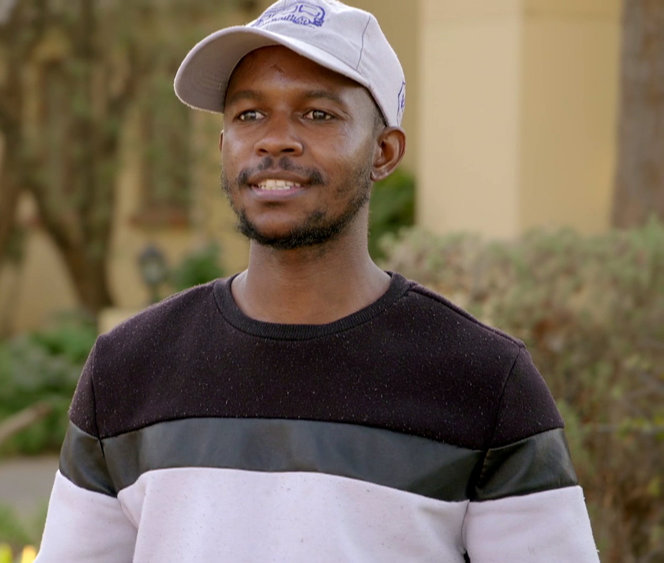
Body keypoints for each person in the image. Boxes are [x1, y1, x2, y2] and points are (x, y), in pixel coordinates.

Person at [35, 1, 599, 561]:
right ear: (222, 145)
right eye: (249, 115)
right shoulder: (128, 369)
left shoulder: (484, 381)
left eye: (318, 114)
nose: (274, 139)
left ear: (383, 151)